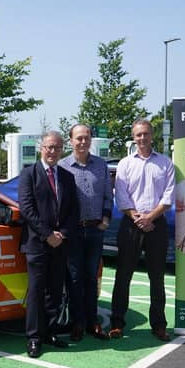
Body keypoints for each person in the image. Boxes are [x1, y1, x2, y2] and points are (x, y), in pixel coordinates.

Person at [110, 118, 175, 341]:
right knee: (123, 276)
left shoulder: (165, 163)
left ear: (152, 135)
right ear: (133, 136)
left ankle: (158, 324)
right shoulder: (125, 164)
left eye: (146, 134)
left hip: (157, 225)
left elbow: (168, 196)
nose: (142, 138)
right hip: (131, 225)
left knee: (157, 277)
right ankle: (117, 322)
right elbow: (121, 195)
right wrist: (137, 217)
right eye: (138, 134)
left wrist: (150, 218)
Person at [18, 130, 79, 358]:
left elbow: (73, 211)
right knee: (36, 291)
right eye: (49, 147)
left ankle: (49, 332)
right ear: (40, 148)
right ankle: (33, 338)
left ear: (62, 149)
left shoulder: (67, 176)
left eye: (57, 147)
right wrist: (47, 235)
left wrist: (61, 234)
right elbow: (27, 209)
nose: (52, 151)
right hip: (37, 244)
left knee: (54, 290)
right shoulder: (29, 174)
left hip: (60, 243)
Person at [59, 124, 113, 342]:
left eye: (87, 137)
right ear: (71, 140)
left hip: (95, 230)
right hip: (72, 232)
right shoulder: (63, 166)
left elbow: (108, 196)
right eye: (79, 138)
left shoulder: (101, 165)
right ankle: (77, 322)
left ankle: (93, 321)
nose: (83, 142)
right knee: (74, 278)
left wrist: (106, 219)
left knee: (91, 278)